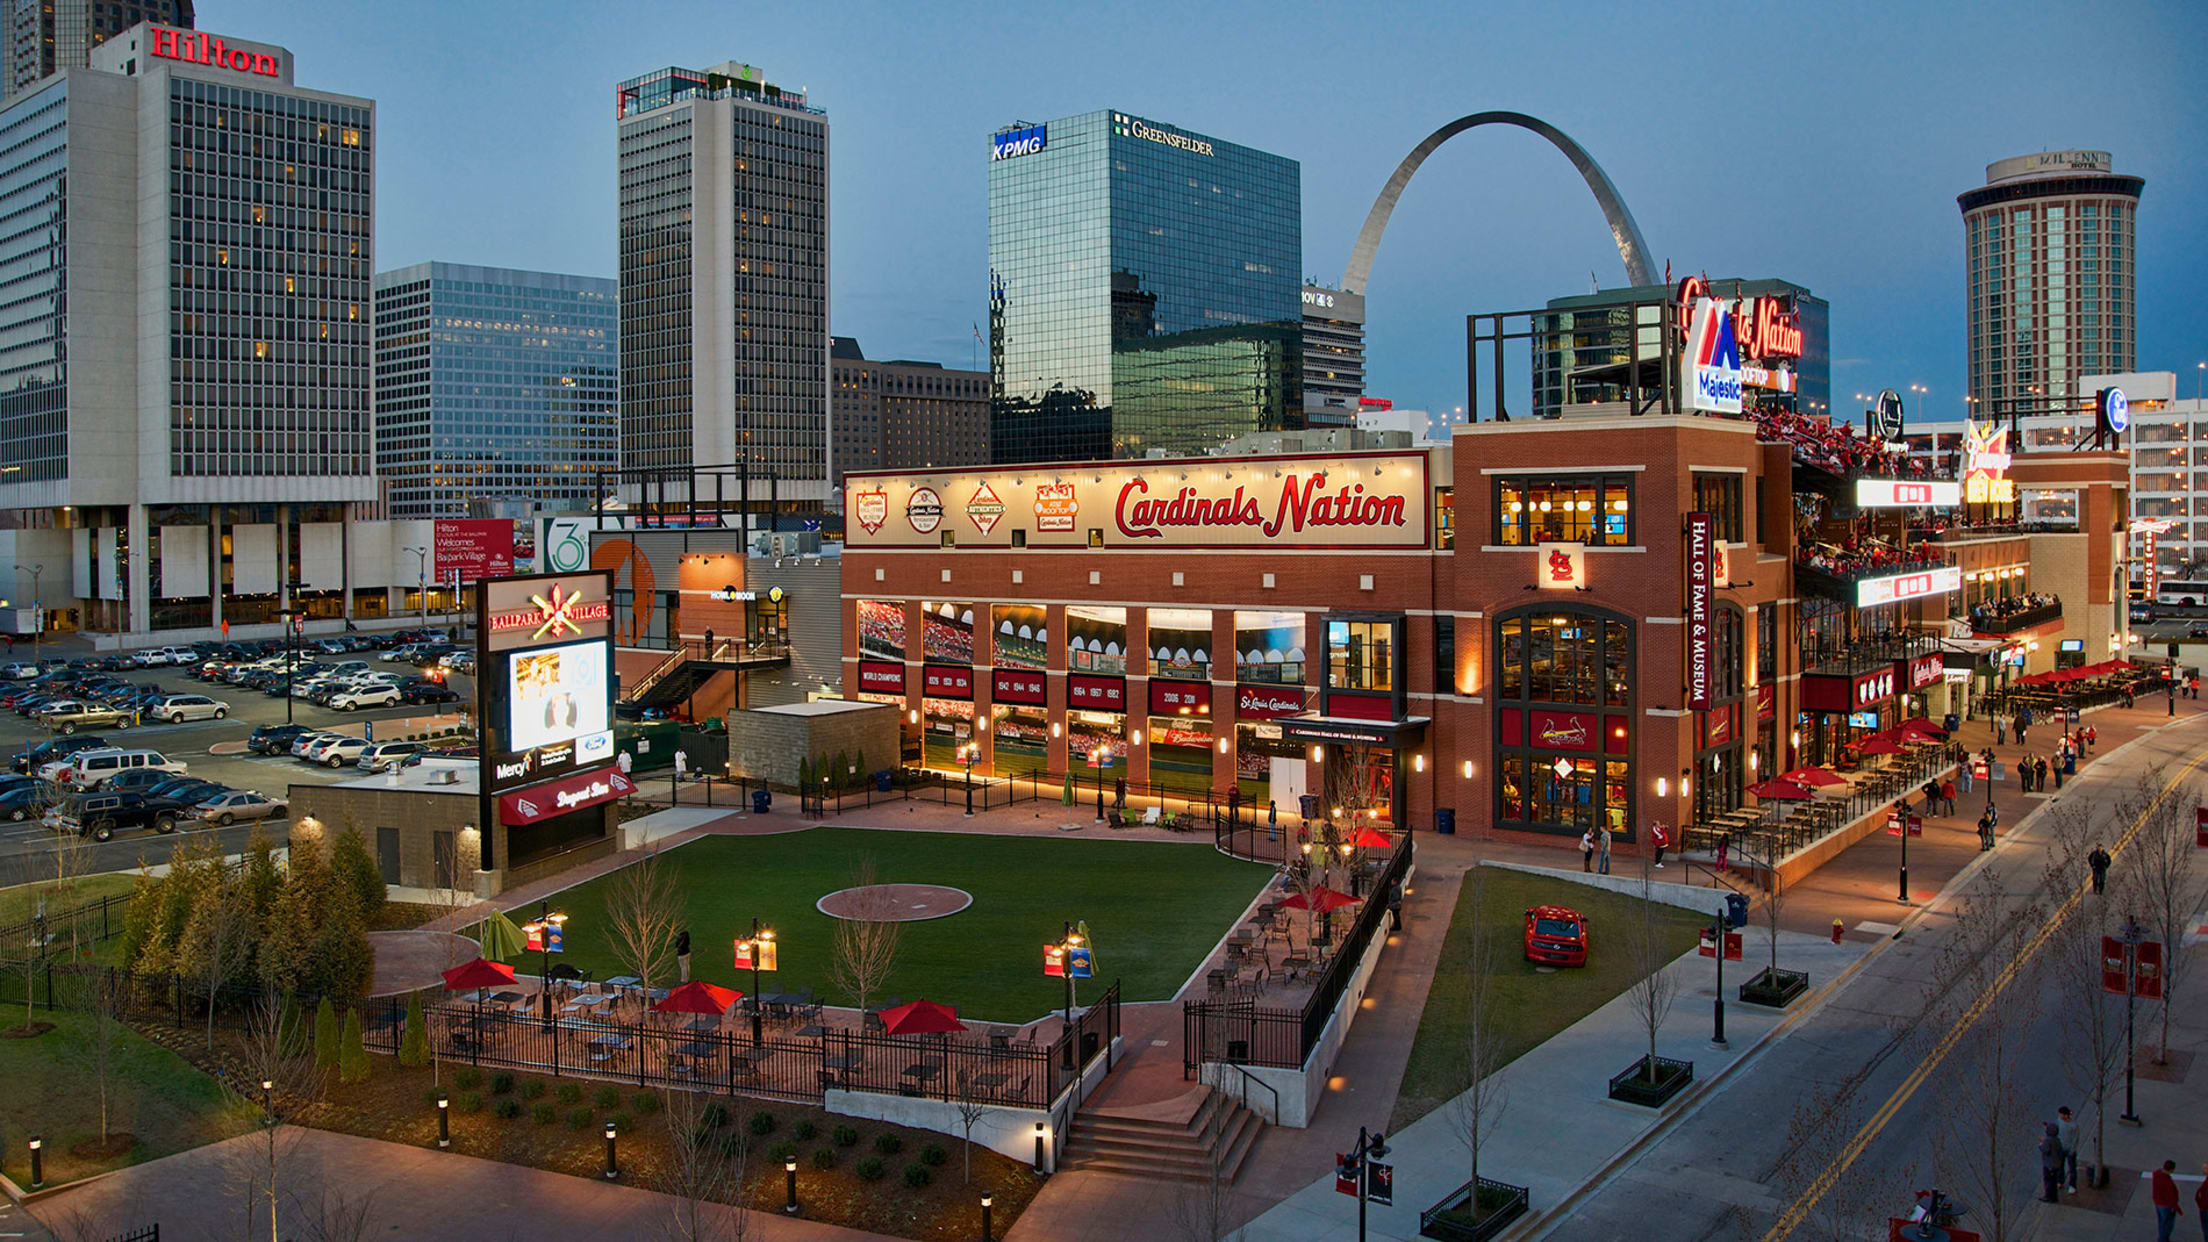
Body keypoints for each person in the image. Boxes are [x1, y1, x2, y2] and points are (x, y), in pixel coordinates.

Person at [2151, 1159, 2182, 1242]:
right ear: (2171, 1170)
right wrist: (2176, 1207)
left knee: (2161, 1222)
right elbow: (2171, 1197)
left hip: (2158, 1203)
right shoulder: (2168, 1182)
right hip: (2166, 1206)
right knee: (2168, 1225)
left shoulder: (2157, 1175)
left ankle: (2162, 1238)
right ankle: (2163, 1239)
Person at [2055, 1106, 2078, 1193]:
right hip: (2061, 1148)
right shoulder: (2059, 1121)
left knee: (2072, 1168)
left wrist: (2072, 1150)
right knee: (2060, 1166)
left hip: (2069, 1149)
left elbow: (2075, 1139)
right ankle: (2060, 1181)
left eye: (2061, 1114)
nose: (2059, 1116)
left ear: (2065, 1115)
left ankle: (2072, 1185)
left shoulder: (2073, 1125)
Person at [2038, 1123, 2064, 1203]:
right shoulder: (2057, 1140)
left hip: (2049, 1165)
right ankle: (2054, 1197)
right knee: (2053, 1181)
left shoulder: (2048, 1141)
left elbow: (2045, 1150)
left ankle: (2048, 1196)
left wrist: (2041, 1144)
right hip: (2056, 1164)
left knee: (2048, 1181)